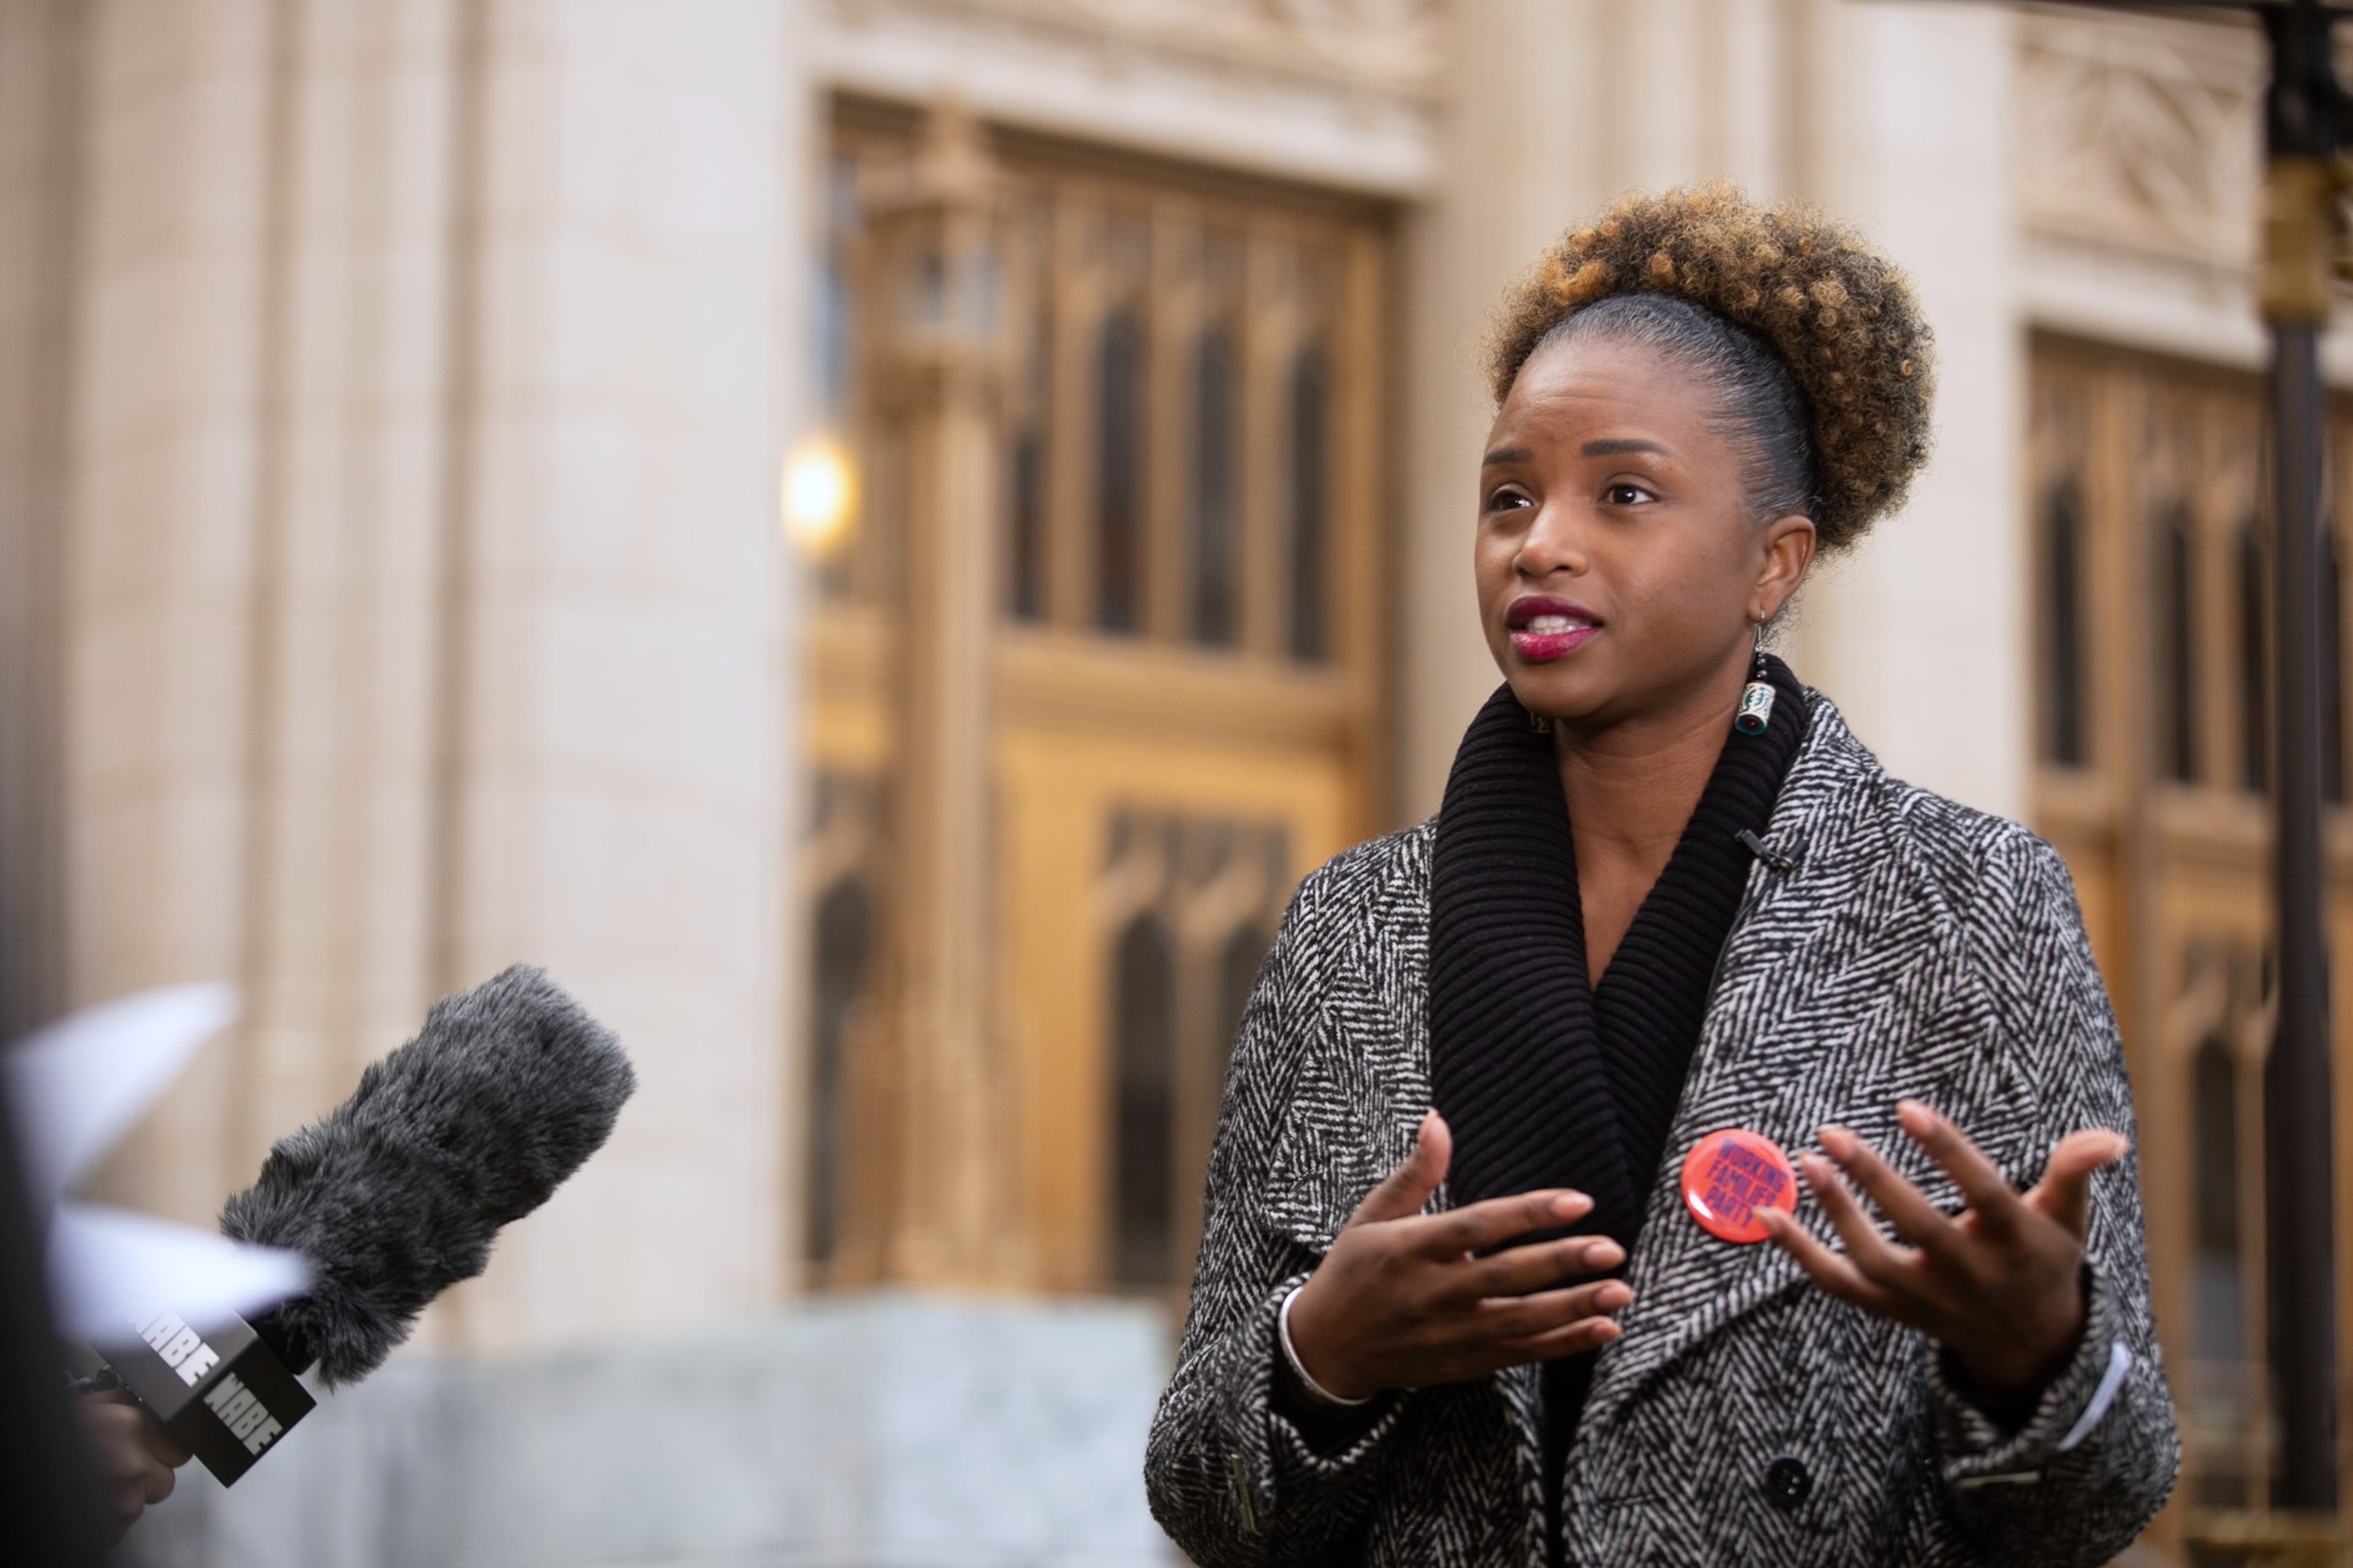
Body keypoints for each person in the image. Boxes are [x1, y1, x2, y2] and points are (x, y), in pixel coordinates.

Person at [1143, 184, 2177, 1567]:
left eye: (1622, 493)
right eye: (1509, 494)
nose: (1542, 542)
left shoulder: (1976, 905)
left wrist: (2035, 1349)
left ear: (1774, 561)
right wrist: (1322, 1354)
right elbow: (1202, 1500)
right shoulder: (1353, 926)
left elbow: (2109, 1494)